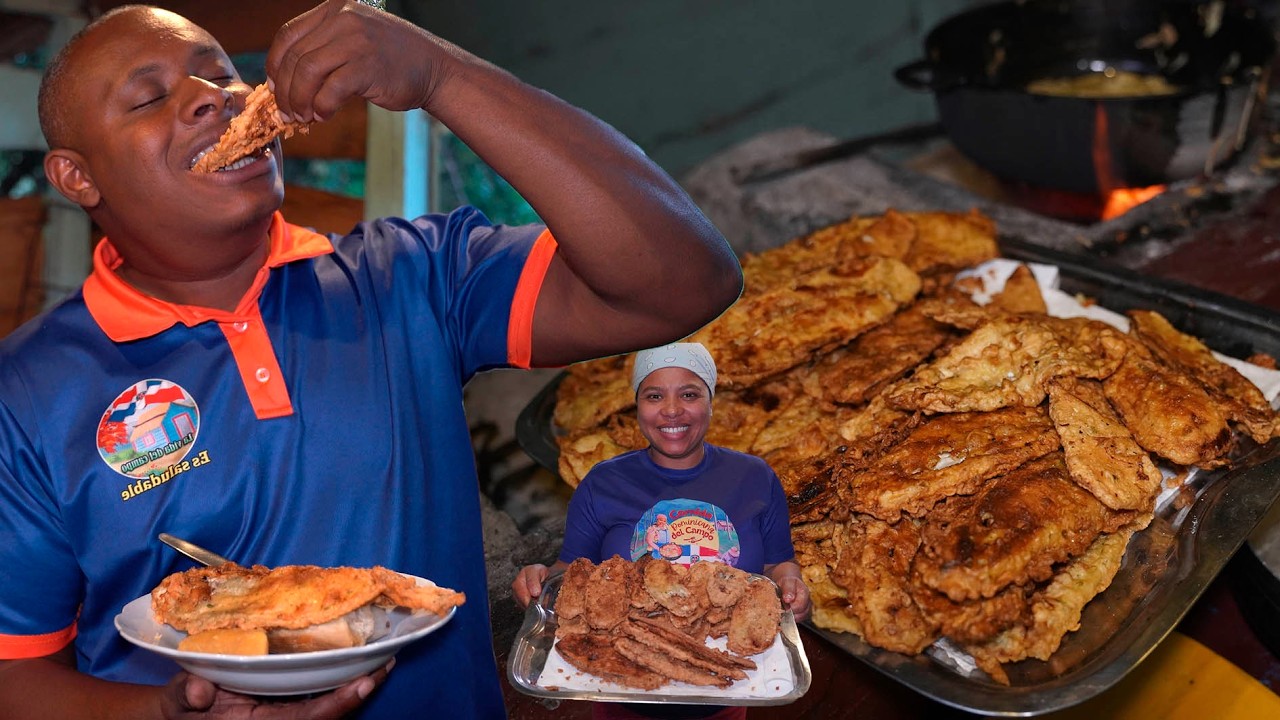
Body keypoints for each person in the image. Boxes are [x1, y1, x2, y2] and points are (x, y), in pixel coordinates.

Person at [0, 1, 742, 718]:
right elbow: (16, 675)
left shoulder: (412, 276)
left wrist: (439, 74)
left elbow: (684, 283)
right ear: (77, 178)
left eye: (223, 74)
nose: (212, 98)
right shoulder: (30, 393)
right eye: (149, 97)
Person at [512, 342, 810, 720]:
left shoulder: (755, 477)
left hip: (726, 694)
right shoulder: (603, 482)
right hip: (618, 693)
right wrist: (540, 581)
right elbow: (570, 575)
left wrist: (793, 590)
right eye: (654, 395)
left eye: (689, 394)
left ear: (711, 401)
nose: (672, 409)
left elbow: (779, 566)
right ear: (637, 406)